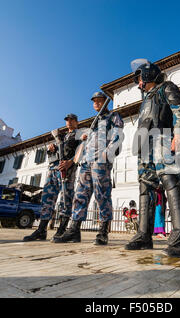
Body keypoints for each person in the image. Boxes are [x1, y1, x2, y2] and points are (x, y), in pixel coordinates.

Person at [124, 60, 180, 257]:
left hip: (164, 138)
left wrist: (178, 135)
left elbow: (179, 110)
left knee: (171, 181)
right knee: (145, 187)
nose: (138, 84)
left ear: (147, 74)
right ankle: (144, 235)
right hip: (145, 145)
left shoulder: (166, 88)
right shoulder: (146, 99)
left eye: (139, 79)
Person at [54, 92, 124, 245]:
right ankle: (74, 230)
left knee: (102, 195)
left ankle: (103, 232)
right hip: (87, 162)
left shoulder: (113, 116)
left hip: (101, 161)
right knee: (80, 195)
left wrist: (107, 154)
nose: (97, 103)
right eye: (95, 102)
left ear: (105, 102)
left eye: (100, 101)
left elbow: (118, 136)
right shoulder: (94, 122)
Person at [23, 114, 81, 242]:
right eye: (67, 120)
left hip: (67, 170)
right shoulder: (63, 137)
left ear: (77, 122)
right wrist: (52, 149)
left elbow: (81, 151)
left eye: (72, 120)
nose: (69, 122)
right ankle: (41, 230)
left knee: (65, 199)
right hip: (54, 169)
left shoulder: (79, 135)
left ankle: (61, 230)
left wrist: (70, 162)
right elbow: (56, 153)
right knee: (47, 199)